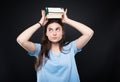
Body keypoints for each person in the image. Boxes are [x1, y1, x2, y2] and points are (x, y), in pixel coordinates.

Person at [16, 9, 94, 82]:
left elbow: (89, 33)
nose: (54, 33)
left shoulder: (71, 48)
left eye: (57, 29)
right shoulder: (39, 49)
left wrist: (67, 20)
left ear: (62, 32)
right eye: (50, 30)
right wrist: (40, 23)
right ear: (46, 33)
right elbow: (21, 40)